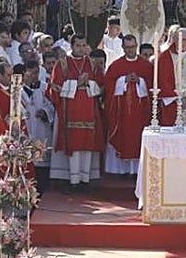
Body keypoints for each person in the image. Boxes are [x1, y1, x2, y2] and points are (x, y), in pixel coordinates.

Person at [49, 35, 105, 187]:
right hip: (69, 111)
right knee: (73, 145)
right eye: (78, 45)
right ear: (72, 47)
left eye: (84, 45)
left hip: (88, 111)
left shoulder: (92, 64)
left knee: (87, 144)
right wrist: (76, 84)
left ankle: (85, 179)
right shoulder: (62, 64)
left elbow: (101, 86)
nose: (81, 48)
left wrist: (89, 83)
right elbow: (54, 87)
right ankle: (72, 180)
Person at [103, 35, 153, 176]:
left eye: (133, 47)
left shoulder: (146, 65)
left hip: (140, 113)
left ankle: (137, 171)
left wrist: (140, 82)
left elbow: (152, 86)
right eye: (128, 47)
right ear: (123, 48)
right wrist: (122, 80)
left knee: (138, 137)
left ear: (137, 46)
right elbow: (108, 85)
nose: (131, 50)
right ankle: (120, 170)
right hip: (122, 113)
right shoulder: (116, 65)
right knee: (123, 136)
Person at [155, 27, 186, 127]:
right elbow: (163, 80)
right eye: (180, 39)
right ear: (174, 39)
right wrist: (178, 99)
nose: (183, 42)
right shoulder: (165, 57)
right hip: (173, 103)